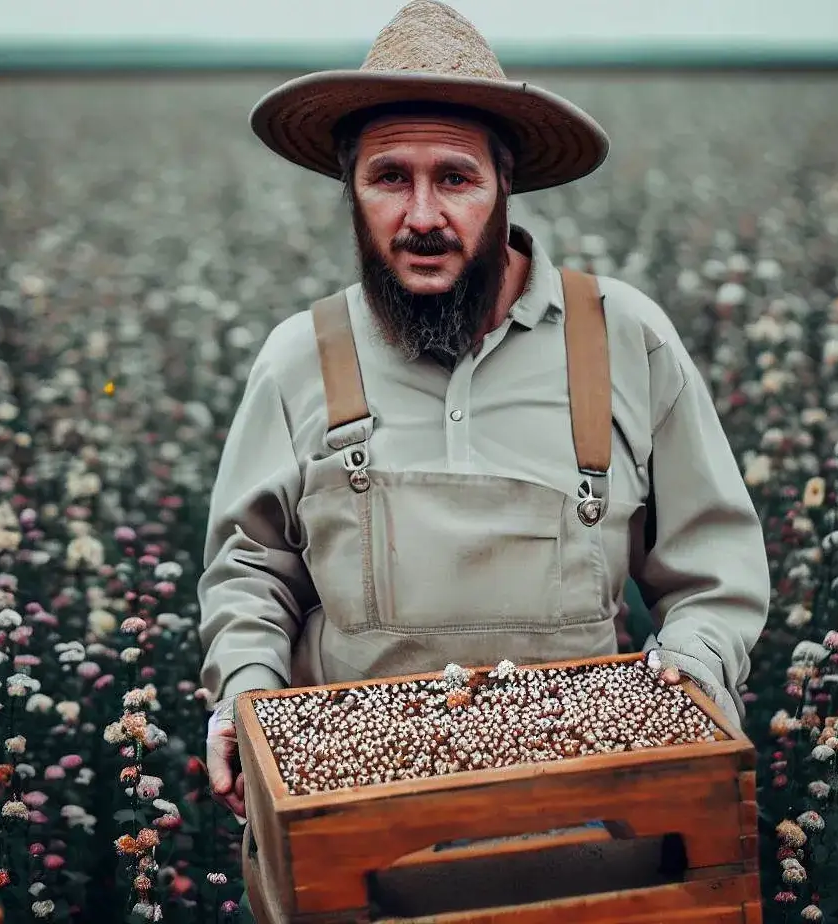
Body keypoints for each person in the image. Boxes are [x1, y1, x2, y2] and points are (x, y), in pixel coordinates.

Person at [199, 0, 768, 852]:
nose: (422, 215)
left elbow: (712, 570)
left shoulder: (623, 335)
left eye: (455, 178)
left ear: (506, 183)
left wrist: (692, 670)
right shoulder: (299, 356)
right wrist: (244, 691)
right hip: (352, 830)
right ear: (350, 192)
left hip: (588, 821)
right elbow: (251, 571)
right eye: (390, 177)